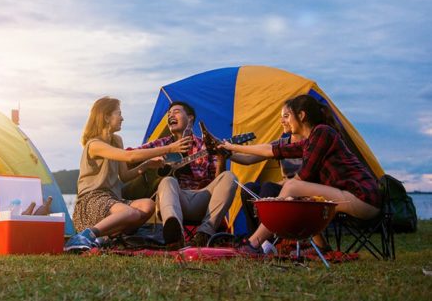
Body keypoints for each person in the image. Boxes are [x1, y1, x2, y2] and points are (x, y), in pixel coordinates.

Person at [218, 94, 381, 255]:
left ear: (301, 115)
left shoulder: (323, 132)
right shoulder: (310, 140)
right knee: (299, 192)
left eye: (288, 116)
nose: (284, 121)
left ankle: (254, 244)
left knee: (293, 186)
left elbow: (304, 176)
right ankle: (321, 247)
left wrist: (279, 197)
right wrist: (232, 148)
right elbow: (271, 150)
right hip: (347, 197)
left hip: (363, 199)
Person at [65, 97, 191, 252]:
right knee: (130, 212)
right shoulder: (94, 144)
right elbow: (129, 157)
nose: (122, 118)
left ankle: (107, 238)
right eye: (119, 113)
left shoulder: (117, 140)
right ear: (106, 117)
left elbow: (124, 176)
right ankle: (85, 236)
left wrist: (146, 165)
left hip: (111, 200)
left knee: (148, 205)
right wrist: (169, 148)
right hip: (91, 201)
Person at [136, 101, 237, 247]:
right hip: (173, 200)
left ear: (190, 118)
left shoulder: (204, 146)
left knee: (229, 177)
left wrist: (221, 159)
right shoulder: (162, 144)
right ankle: (174, 233)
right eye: (169, 114)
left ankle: (204, 234)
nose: (171, 115)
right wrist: (157, 156)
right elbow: (131, 153)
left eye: (176, 112)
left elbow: (218, 182)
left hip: (201, 200)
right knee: (167, 181)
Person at [232, 104, 304, 234]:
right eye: (281, 117)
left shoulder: (312, 143)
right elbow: (248, 159)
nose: (281, 121)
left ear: (301, 117)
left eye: (286, 116)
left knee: (268, 187)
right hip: (285, 190)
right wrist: (227, 153)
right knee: (249, 188)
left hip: (301, 191)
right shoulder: (281, 143)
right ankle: (254, 237)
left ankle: (264, 242)